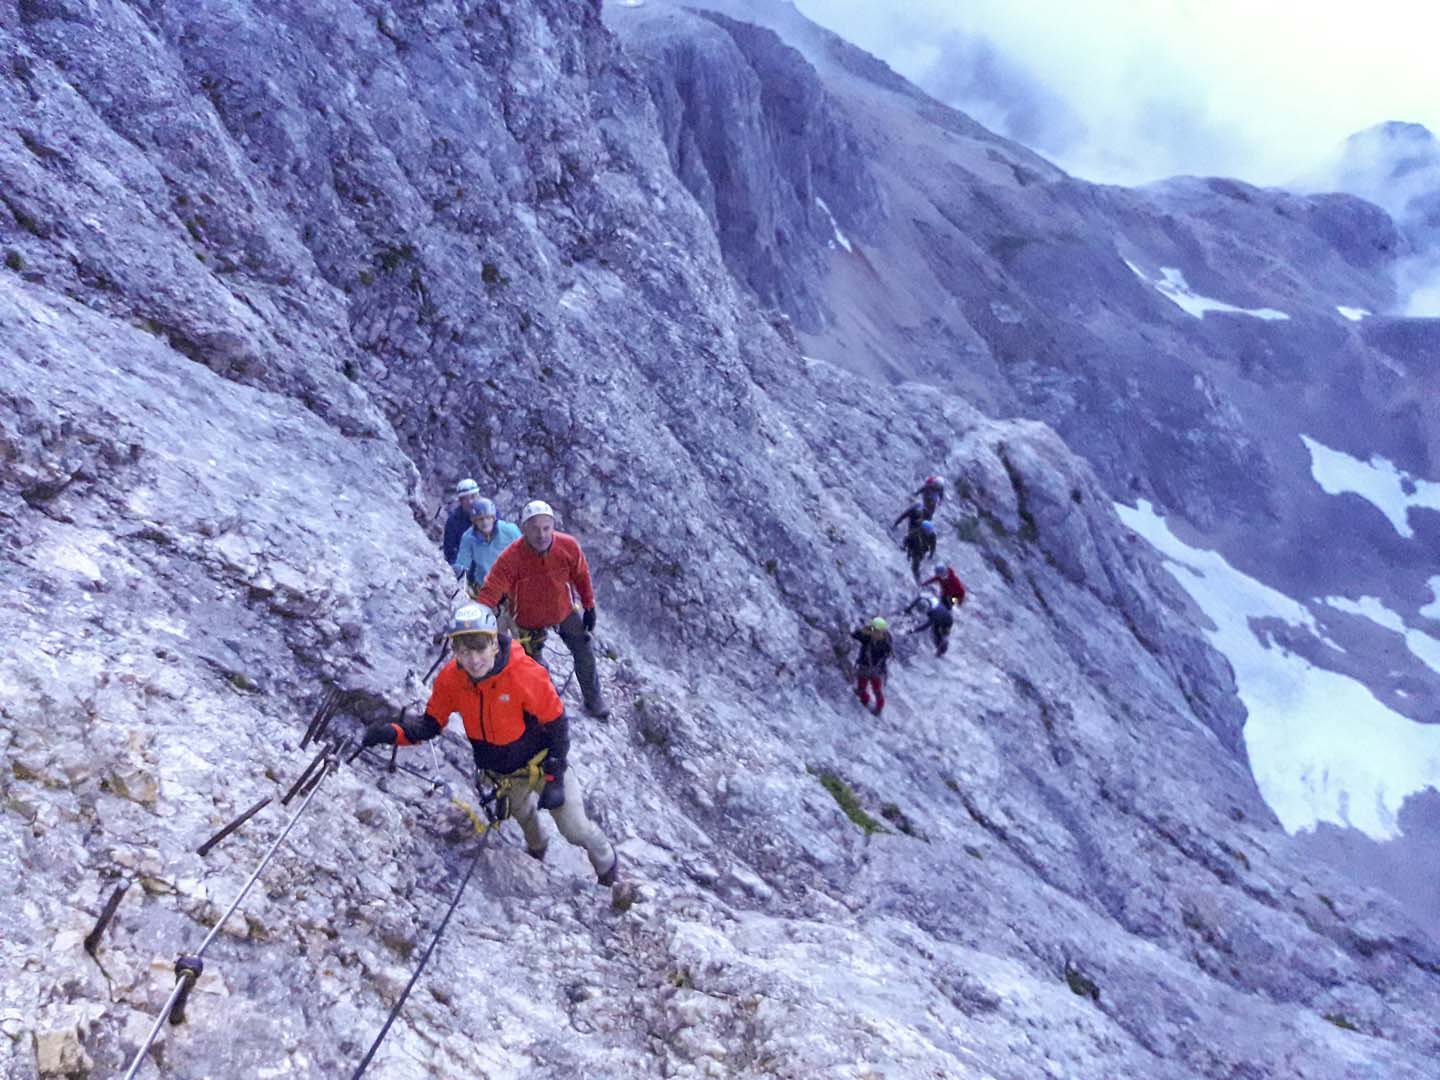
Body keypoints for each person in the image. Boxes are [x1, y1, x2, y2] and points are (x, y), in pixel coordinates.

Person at [361, 604, 620, 886]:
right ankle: (536, 853)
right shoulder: (450, 680)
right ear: (455, 651)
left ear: (495, 644)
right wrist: (391, 733)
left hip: (542, 762)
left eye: (480, 648)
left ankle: (608, 870)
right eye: (464, 651)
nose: (473, 660)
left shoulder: (524, 673)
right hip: (504, 775)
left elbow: (557, 724)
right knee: (524, 817)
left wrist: (555, 777)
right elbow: (430, 726)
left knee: (574, 829)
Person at [475, 500, 611, 719]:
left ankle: (593, 699)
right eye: (535, 529)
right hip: (528, 618)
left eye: (546, 528)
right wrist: (477, 616)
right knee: (533, 665)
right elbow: (492, 587)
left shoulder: (568, 546)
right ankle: (544, 701)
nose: (541, 535)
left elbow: (581, 575)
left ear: (553, 526)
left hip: (562, 610)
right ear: (524, 529)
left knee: (583, 649)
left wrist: (589, 605)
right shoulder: (512, 557)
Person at [453, 498, 521, 593]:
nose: (485, 522)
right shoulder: (468, 538)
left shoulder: (510, 530)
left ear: (493, 518)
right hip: (485, 586)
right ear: (474, 521)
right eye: (480, 519)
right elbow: (462, 564)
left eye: (488, 518)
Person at [850, 616, 893, 716]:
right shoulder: (881, 638)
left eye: (873, 628)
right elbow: (854, 635)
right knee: (868, 689)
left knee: (873, 690)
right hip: (872, 668)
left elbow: (854, 635)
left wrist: (865, 630)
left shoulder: (874, 639)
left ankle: (873, 706)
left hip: (871, 668)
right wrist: (865, 630)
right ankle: (870, 704)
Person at [443, 479, 481, 566]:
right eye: (465, 499)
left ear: (478, 496)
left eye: (473, 497)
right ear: (460, 501)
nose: (470, 502)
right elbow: (450, 553)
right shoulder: (453, 522)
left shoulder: (491, 514)